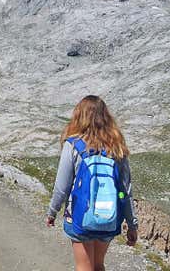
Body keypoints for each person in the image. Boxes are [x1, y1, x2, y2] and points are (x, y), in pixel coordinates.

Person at [45, 95, 138, 271]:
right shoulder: (117, 148)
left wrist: (52, 212)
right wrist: (132, 225)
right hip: (109, 216)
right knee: (98, 265)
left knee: (84, 267)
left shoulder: (73, 145)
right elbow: (125, 192)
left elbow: (62, 187)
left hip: (79, 215)